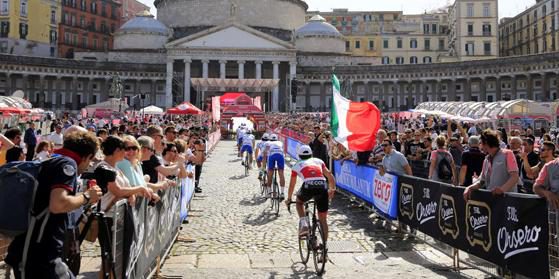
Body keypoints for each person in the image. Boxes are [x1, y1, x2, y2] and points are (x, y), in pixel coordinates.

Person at [5, 131, 103, 278]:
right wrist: (87, 196)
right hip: (38, 254)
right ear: (86, 156)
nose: (89, 165)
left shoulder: (53, 160)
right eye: (90, 160)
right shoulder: (67, 163)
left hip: (40, 251)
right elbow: (58, 204)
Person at [285, 145, 336, 246]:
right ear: (311, 154)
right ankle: (324, 247)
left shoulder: (296, 165)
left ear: (299, 156)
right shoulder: (319, 161)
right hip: (322, 186)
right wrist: (332, 189)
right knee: (323, 220)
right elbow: (329, 175)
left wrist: (289, 198)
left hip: (308, 186)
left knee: (299, 202)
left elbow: (292, 184)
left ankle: (304, 225)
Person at [97, 136, 156, 211]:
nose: (127, 152)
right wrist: (141, 188)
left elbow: (127, 188)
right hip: (107, 214)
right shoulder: (103, 167)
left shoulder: (115, 167)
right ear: (116, 151)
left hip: (118, 215)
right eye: (125, 149)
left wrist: (130, 194)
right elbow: (118, 191)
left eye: (134, 148)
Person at [463, 130, 519, 200]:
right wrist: (469, 187)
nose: (479, 146)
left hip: (508, 202)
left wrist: (502, 189)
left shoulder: (508, 154)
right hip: (492, 202)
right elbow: (481, 181)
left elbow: (515, 177)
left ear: (486, 143)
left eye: (480, 143)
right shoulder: (486, 159)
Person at [263, 134, 286, 199]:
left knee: (270, 174)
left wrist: (263, 167)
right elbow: (283, 151)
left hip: (272, 155)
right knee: (281, 174)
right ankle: (282, 193)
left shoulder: (268, 142)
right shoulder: (280, 142)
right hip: (280, 155)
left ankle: (269, 193)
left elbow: (265, 153)